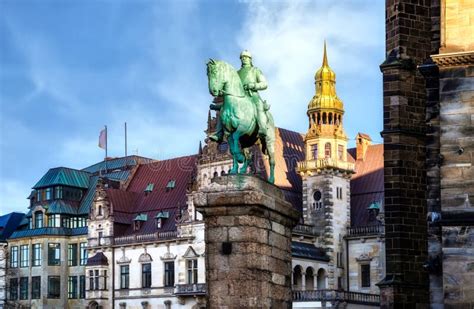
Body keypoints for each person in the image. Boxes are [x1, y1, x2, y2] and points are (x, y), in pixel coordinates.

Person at [209, 50, 270, 142]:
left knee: (259, 106)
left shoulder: (255, 70)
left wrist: (253, 85)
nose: (244, 59)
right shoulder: (236, 73)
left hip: (252, 95)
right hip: (239, 97)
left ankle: (262, 128)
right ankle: (219, 133)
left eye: (246, 57)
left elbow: (264, 84)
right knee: (223, 110)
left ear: (250, 59)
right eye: (242, 57)